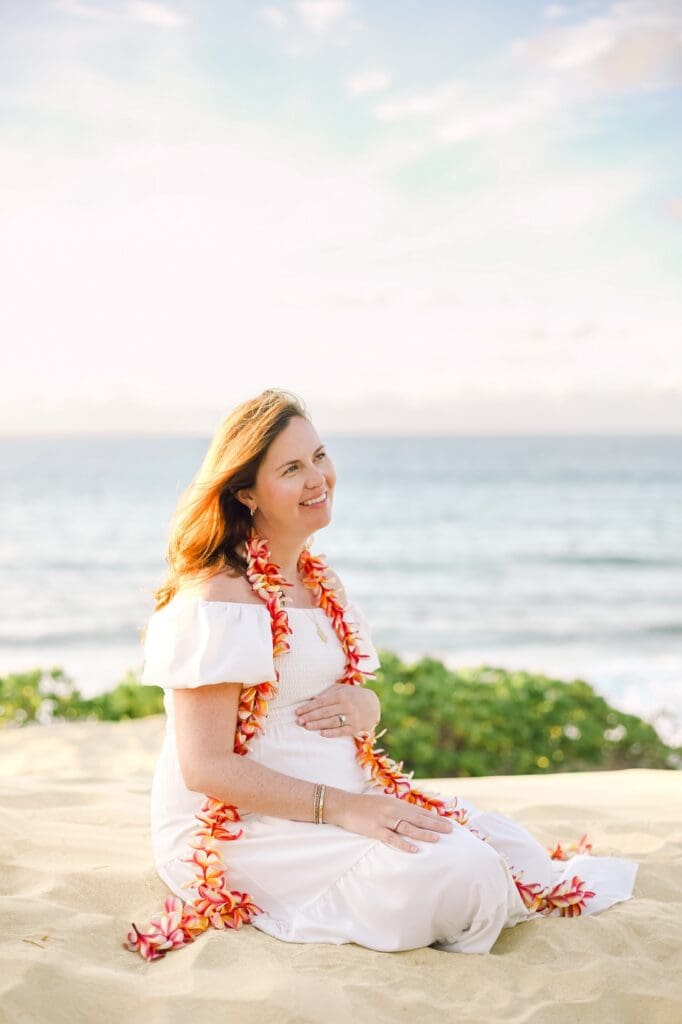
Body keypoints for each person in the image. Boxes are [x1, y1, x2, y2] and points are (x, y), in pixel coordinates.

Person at [127, 388, 638, 961]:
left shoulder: (322, 584)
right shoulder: (221, 598)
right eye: (291, 468)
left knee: (509, 847)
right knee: (463, 872)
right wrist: (347, 810)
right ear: (246, 492)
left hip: (349, 793)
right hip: (247, 828)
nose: (317, 477)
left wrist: (367, 708)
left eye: (319, 456)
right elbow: (205, 766)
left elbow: (336, 691)